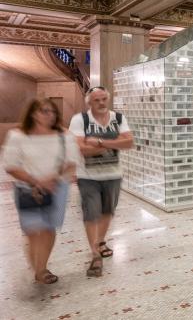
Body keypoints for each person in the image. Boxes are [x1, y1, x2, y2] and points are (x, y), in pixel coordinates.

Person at [2, 99, 79, 284]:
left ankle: (42, 268)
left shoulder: (64, 135)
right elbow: (10, 165)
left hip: (56, 188)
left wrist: (51, 179)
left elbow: (71, 160)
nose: (49, 114)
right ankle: (38, 269)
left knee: (48, 229)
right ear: (33, 114)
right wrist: (36, 181)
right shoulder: (17, 135)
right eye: (44, 111)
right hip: (28, 189)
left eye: (52, 111)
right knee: (33, 230)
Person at [69, 86, 133, 277]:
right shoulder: (79, 120)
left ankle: (100, 240)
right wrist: (114, 142)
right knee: (91, 213)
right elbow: (82, 149)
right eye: (97, 100)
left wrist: (98, 142)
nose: (102, 103)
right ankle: (95, 254)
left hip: (113, 174)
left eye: (104, 99)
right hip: (87, 176)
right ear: (89, 102)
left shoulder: (118, 118)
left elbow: (129, 143)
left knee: (107, 211)